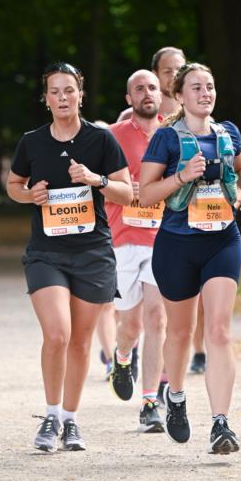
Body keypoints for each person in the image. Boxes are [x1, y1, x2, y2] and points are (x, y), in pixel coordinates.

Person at [6, 61, 132, 453]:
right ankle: (50, 413)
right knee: (57, 333)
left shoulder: (101, 140)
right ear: (46, 99)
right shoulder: (32, 141)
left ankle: (71, 421)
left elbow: (127, 193)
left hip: (93, 252)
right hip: (47, 252)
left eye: (69, 90)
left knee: (80, 342)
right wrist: (31, 195)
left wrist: (95, 179)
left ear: (81, 94)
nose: (62, 97)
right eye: (54, 92)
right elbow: (13, 185)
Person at [140, 62, 241, 453]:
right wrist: (182, 176)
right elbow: (145, 194)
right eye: (196, 87)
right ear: (179, 95)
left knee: (220, 330)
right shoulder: (166, 138)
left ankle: (221, 423)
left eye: (210, 86)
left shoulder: (229, 133)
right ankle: (174, 396)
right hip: (176, 244)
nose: (205, 93)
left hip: (223, 239)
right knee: (179, 332)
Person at [107, 69, 167, 432]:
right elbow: (96, 183)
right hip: (122, 239)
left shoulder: (173, 134)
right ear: (129, 99)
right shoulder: (111, 137)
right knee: (129, 325)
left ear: (161, 95)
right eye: (139, 89)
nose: (147, 93)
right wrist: (121, 185)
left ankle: (150, 402)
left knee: (156, 318)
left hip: (162, 237)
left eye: (152, 88)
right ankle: (122, 355)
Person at [117, 46, 186, 123]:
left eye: (180, 70)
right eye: (167, 71)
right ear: (155, 74)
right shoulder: (130, 117)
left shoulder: (195, 115)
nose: (174, 75)